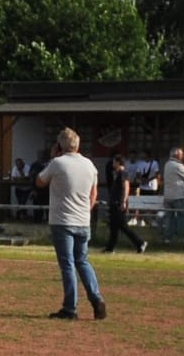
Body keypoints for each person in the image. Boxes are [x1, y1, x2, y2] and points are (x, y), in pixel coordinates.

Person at [37, 127, 105, 320]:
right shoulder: (90, 165)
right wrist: (85, 211)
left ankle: (70, 308)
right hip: (83, 221)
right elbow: (94, 195)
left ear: (60, 145)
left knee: (67, 264)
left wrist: (52, 157)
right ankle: (97, 299)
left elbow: (40, 181)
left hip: (62, 221)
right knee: (82, 261)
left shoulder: (58, 163)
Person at [101, 153, 146, 254]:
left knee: (123, 226)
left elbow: (126, 187)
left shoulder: (123, 173)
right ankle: (110, 248)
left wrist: (123, 201)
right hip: (114, 202)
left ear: (117, 162)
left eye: (114, 162)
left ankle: (140, 242)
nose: (113, 164)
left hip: (118, 203)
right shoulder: (117, 174)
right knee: (113, 226)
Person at [161, 147, 184, 242]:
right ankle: (181, 237)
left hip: (167, 196)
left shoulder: (167, 164)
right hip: (178, 195)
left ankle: (168, 238)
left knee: (169, 218)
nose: (183, 156)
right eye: (181, 154)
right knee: (181, 217)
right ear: (177, 155)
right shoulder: (178, 165)